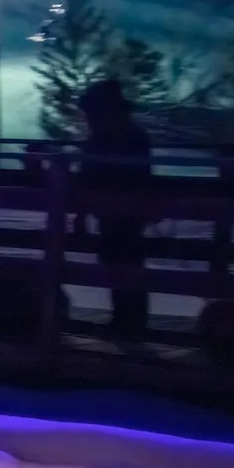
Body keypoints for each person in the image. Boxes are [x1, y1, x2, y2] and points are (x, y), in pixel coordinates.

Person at [78, 77, 152, 336]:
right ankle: (130, 320)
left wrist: (85, 209)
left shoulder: (107, 139)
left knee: (120, 259)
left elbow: (90, 174)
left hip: (117, 210)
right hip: (122, 210)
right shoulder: (131, 136)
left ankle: (128, 320)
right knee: (124, 260)